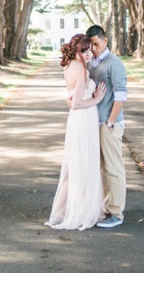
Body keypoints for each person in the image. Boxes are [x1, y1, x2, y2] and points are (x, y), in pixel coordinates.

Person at [45, 34, 107, 231]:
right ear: (76, 50)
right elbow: (78, 103)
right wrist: (97, 99)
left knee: (75, 165)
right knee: (84, 163)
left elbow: (71, 98)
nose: (88, 53)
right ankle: (81, 211)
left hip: (78, 121)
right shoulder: (80, 70)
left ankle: (61, 212)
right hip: (83, 118)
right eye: (84, 50)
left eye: (89, 49)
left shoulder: (69, 67)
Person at [86, 25, 128, 229]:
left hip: (109, 124)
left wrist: (111, 122)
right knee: (101, 168)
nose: (93, 48)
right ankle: (106, 208)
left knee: (114, 169)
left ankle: (116, 212)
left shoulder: (114, 63)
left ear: (105, 41)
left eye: (96, 43)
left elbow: (120, 97)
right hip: (95, 123)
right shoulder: (92, 63)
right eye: (91, 44)